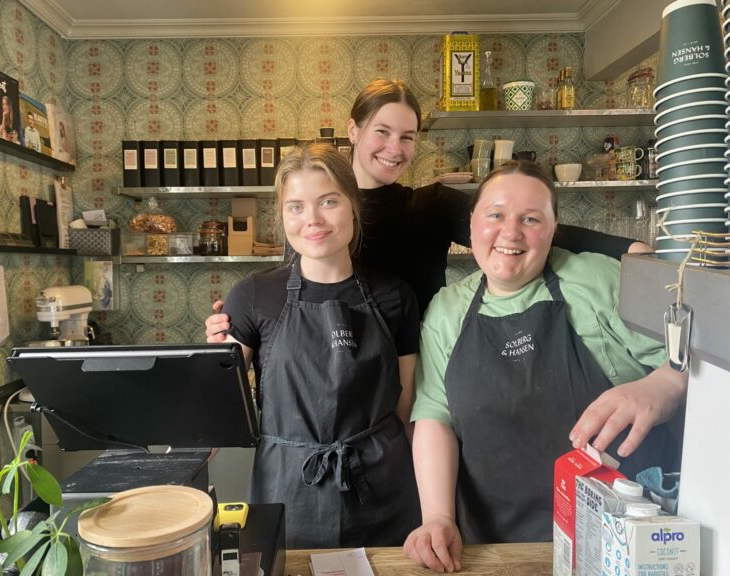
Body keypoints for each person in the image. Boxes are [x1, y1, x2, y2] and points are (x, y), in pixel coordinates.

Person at [403, 160, 687, 573]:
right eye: (495, 215)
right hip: (493, 547)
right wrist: (438, 518)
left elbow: (705, 351)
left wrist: (666, 384)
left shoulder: (597, 280)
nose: (510, 232)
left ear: (553, 229)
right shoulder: (448, 309)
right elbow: (434, 416)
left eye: (531, 219)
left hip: (618, 545)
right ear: (471, 225)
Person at [206, 79, 649, 339]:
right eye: (383, 132)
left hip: (415, 372)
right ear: (354, 130)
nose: (395, 149)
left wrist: (631, 250)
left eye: (408, 137)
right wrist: (236, 329)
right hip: (325, 380)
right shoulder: (317, 215)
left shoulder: (430, 205)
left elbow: (526, 229)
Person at [217, 142, 421, 548]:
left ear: (353, 206)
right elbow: (220, 404)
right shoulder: (254, 295)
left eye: (328, 201)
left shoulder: (395, 295)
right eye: (295, 207)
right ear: (282, 215)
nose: (312, 219)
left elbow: (407, 408)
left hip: (383, 486)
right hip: (286, 489)